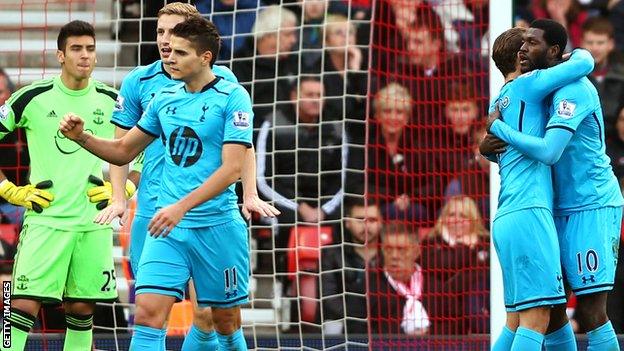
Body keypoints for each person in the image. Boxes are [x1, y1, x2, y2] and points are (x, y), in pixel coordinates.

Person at [60, 16, 254, 350]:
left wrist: (181, 206)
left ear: (205, 57)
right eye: (168, 49)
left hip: (217, 227)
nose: (169, 57)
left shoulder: (233, 97)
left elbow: (231, 169)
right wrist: (82, 137)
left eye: (180, 52)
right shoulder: (164, 97)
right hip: (167, 228)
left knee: (223, 322)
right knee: (148, 314)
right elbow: (123, 150)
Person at [487, 19, 624, 351]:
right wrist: (488, 143)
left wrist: (496, 131)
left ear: (552, 51)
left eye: (532, 43)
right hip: (552, 209)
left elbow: (549, 151)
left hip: (590, 204)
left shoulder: (573, 88)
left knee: (591, 311)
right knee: (552, 309)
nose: (525, 48)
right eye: (523, 43)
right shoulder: (535, 87)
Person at [0, 20, 127, 351]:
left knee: (82, 310)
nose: (84, 56)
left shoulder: (113, 100)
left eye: (90, 48)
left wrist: (122, 191)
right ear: (60, 55)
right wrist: (10, 190)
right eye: (76, 49)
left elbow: (138, 153)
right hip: (45, 222)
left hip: (92, 224)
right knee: (17, 305)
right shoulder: (31, 97)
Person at [421, 195, 490, 334]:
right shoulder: (431, 243)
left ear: (473, 219)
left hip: (478, 312)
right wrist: (464, 247)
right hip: (442, 317)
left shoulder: (486, 243)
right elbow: (441, 270)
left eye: (463, 215)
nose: (457, 220)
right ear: (444, 218)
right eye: (452, 214)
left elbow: (484, 279)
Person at [320, 196, 382, 335]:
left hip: (383, 324)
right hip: (345, 325)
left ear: (381, 223)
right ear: (347, 222)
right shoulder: (331, 254)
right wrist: (359, 317)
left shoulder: (389, 254)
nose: (366, 226)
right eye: (360, 219)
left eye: (372, 220)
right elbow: (328, 298)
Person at [368, 221, 436, 336]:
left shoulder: (436, 288)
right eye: (388, 249)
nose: (394, 256)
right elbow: (357, 332)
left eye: (401, 249)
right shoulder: (369, 289)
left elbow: (456, 328)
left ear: (416, 251)